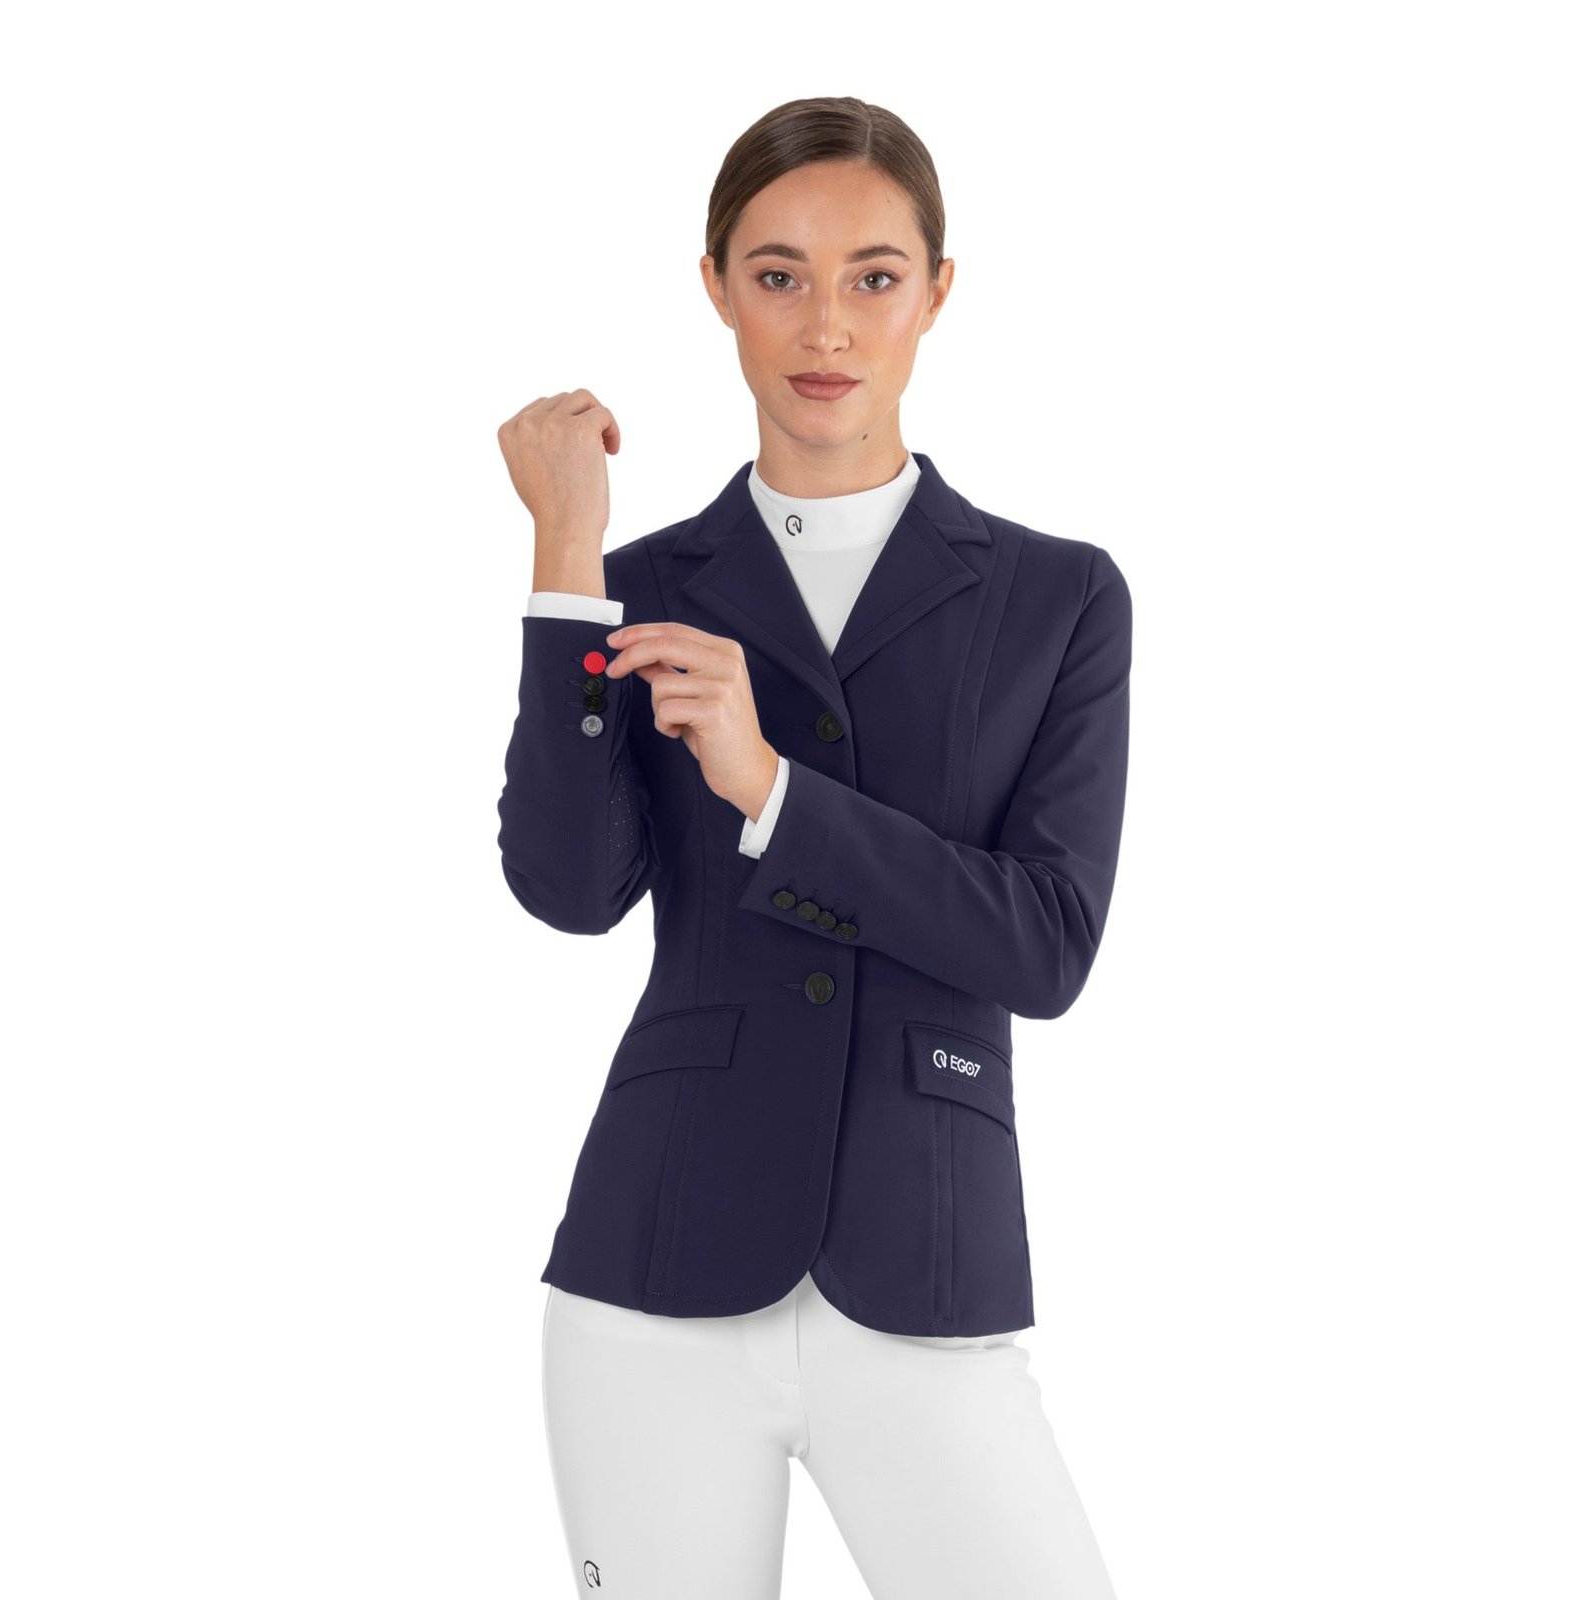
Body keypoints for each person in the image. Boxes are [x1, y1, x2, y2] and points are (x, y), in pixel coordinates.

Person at [496, 95, 1129, 1600]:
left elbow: (1046, 945)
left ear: (937, 293)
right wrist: (567, 560)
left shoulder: (1057, 599)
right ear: (717, 288)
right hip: (655, 1269)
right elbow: (569, 891)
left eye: (873, 276)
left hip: (925, 1255)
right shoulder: (644, 584)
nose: (825, 324)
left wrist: (772, 789)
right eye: (777, 275)